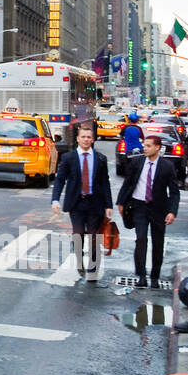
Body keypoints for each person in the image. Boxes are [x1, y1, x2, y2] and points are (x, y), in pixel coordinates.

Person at [51, 121, 113, 280]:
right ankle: (79, 261)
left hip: (95, 203)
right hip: (76, 203)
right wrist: (55, 200)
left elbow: (105, 182)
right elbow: (60, 180)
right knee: (78, 234)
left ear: (92, 139)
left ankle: (93, 268)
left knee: (93, 236)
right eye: (83, 137)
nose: (86, 139)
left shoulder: (100, 158)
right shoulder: (68, 158)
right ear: (77, 139)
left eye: (89, 137)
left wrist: (108, 205)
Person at [117, 133, 180, 288]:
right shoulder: (137, 163)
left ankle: (154, 277)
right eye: (144, 145)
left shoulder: (167, 166)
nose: (144, 148)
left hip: (159, 209)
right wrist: (121, 202)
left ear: (157, 148)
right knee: (141, 239)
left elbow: (174, 192)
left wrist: (172, 211)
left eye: (148, 146)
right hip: (139, 207)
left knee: (158, 243)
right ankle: (141, 276)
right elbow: (128, 183)